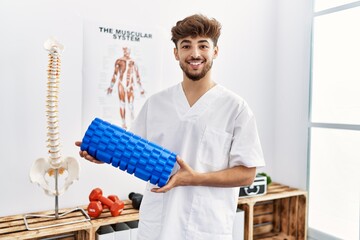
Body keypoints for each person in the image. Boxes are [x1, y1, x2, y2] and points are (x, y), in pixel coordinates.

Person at [76, 14, 265, 240]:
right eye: (186, 46)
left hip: (205, 226)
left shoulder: (236, 108)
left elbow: (247, 174)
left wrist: (194, 178)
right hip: (157, 224)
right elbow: (132, 151)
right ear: (176, 53)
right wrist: (104, 153)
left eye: (203, 45)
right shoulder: (156, 104)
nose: (195, 53)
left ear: (215, 51)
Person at [107, 47, 145, 129]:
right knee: (122, 104)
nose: (126, 52)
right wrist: (111, 86)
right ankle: (123, 124)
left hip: (130, 85)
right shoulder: (119, 61)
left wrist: (141, 89)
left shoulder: (133, 62)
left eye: (127, 50)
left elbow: (137, 76)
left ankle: (133, 124)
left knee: (131, 105)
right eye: (125, 50)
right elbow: (115, 74)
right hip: (121, 84)